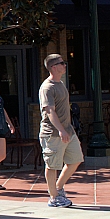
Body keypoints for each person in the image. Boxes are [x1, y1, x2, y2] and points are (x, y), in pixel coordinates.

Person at [39, 53, 81, 207]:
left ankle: (58, 187)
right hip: (52, 133)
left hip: (68, 131)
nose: (65, 65)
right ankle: (54, 197)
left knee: (76, 160)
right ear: (54, 67)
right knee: (52, 165)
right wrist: (61, 130)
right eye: (62, 63)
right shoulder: (47, 87)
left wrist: (67, 130)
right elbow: (50, 111)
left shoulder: (61, 83)